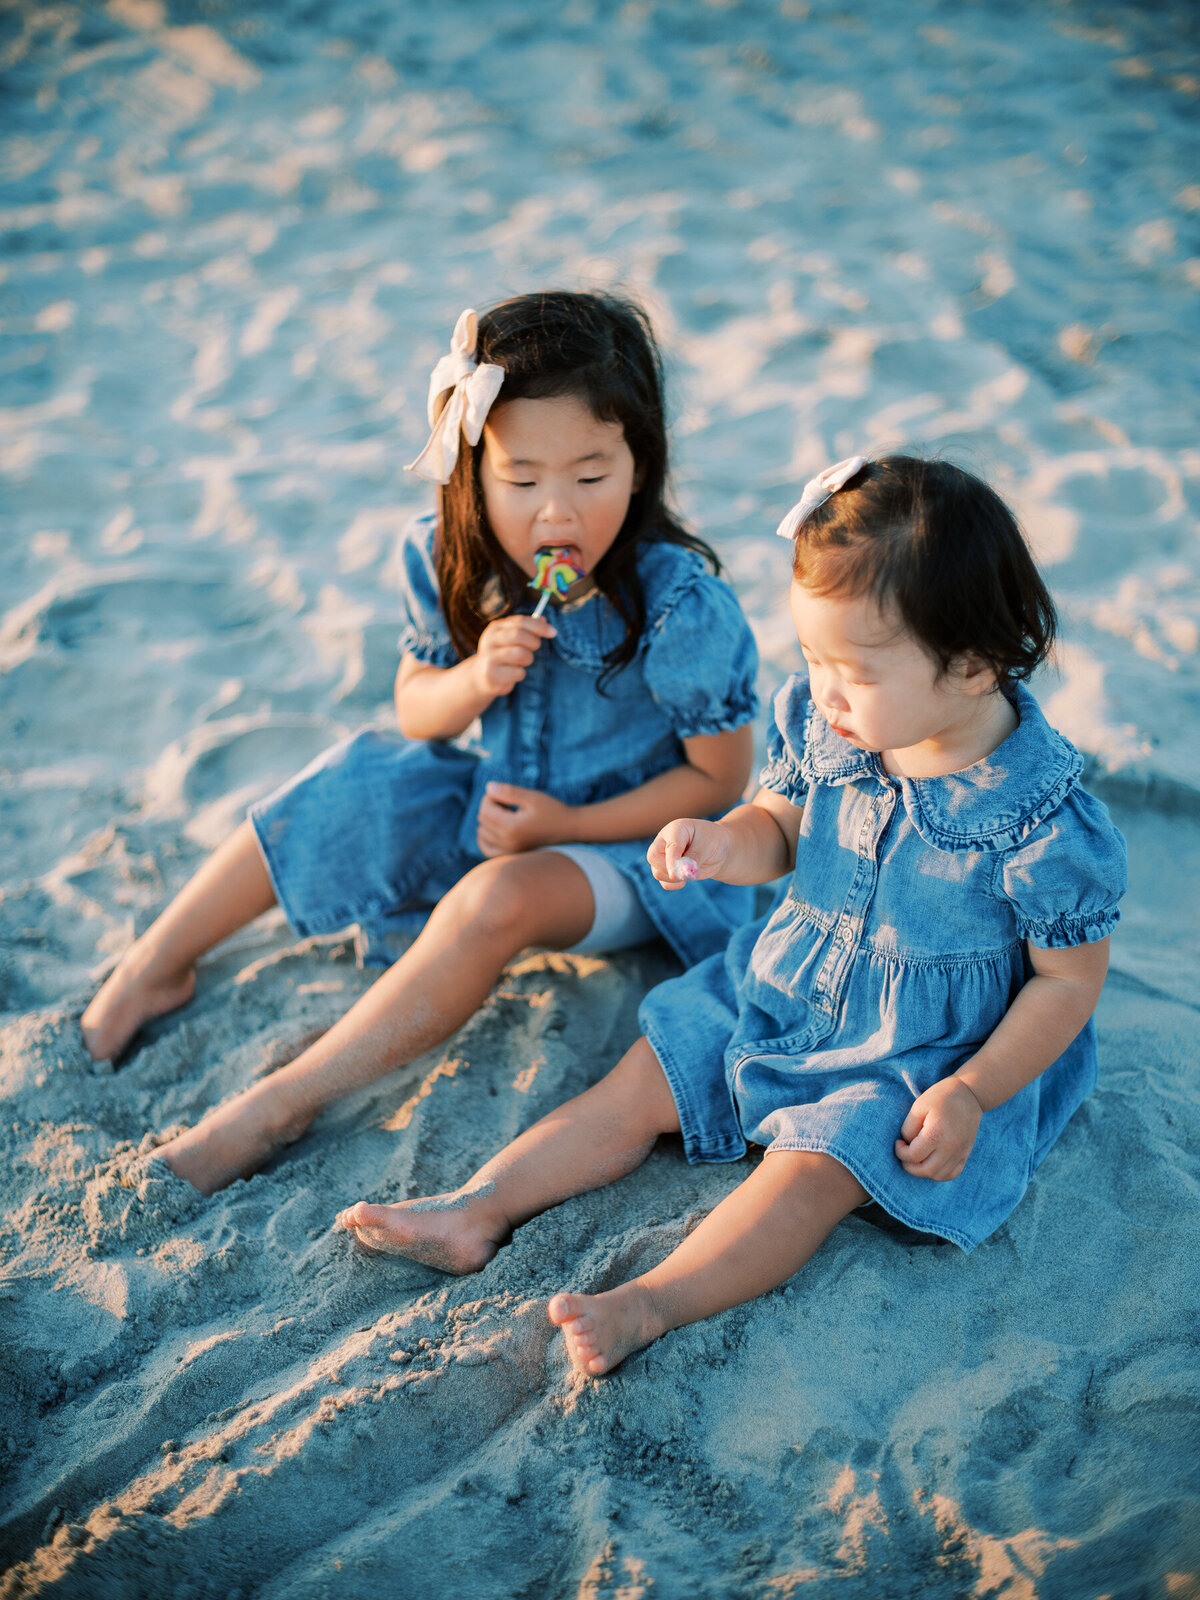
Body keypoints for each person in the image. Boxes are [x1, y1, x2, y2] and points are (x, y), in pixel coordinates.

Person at [338, 455, 1127, 1377]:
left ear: (972, 663)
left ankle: (649, 1303)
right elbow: (782, 827)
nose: (825, 692)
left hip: (923, 1055)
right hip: (793, 981)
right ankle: (477, 1207)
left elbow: (1069, 984)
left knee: (815, 1166)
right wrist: (723, 842)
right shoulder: (836, 724)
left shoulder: (1042, 820)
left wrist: (972, 1091)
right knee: (647, 1075)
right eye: (812, 659)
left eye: (854, 671)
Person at [81, 291, 760, 1195]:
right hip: (507, 801)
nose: (556, 512)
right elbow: (416, 708)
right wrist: (474, 680)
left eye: (591, 475)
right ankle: (154, 966)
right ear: (472, 475)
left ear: (641, 465)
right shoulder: (448, 555)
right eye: (521, 481)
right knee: (359, 774)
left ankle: (280, 1104)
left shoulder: (678, 605)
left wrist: (569, 819)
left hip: (642, 854)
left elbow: (717, 783)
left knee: (495, 899)